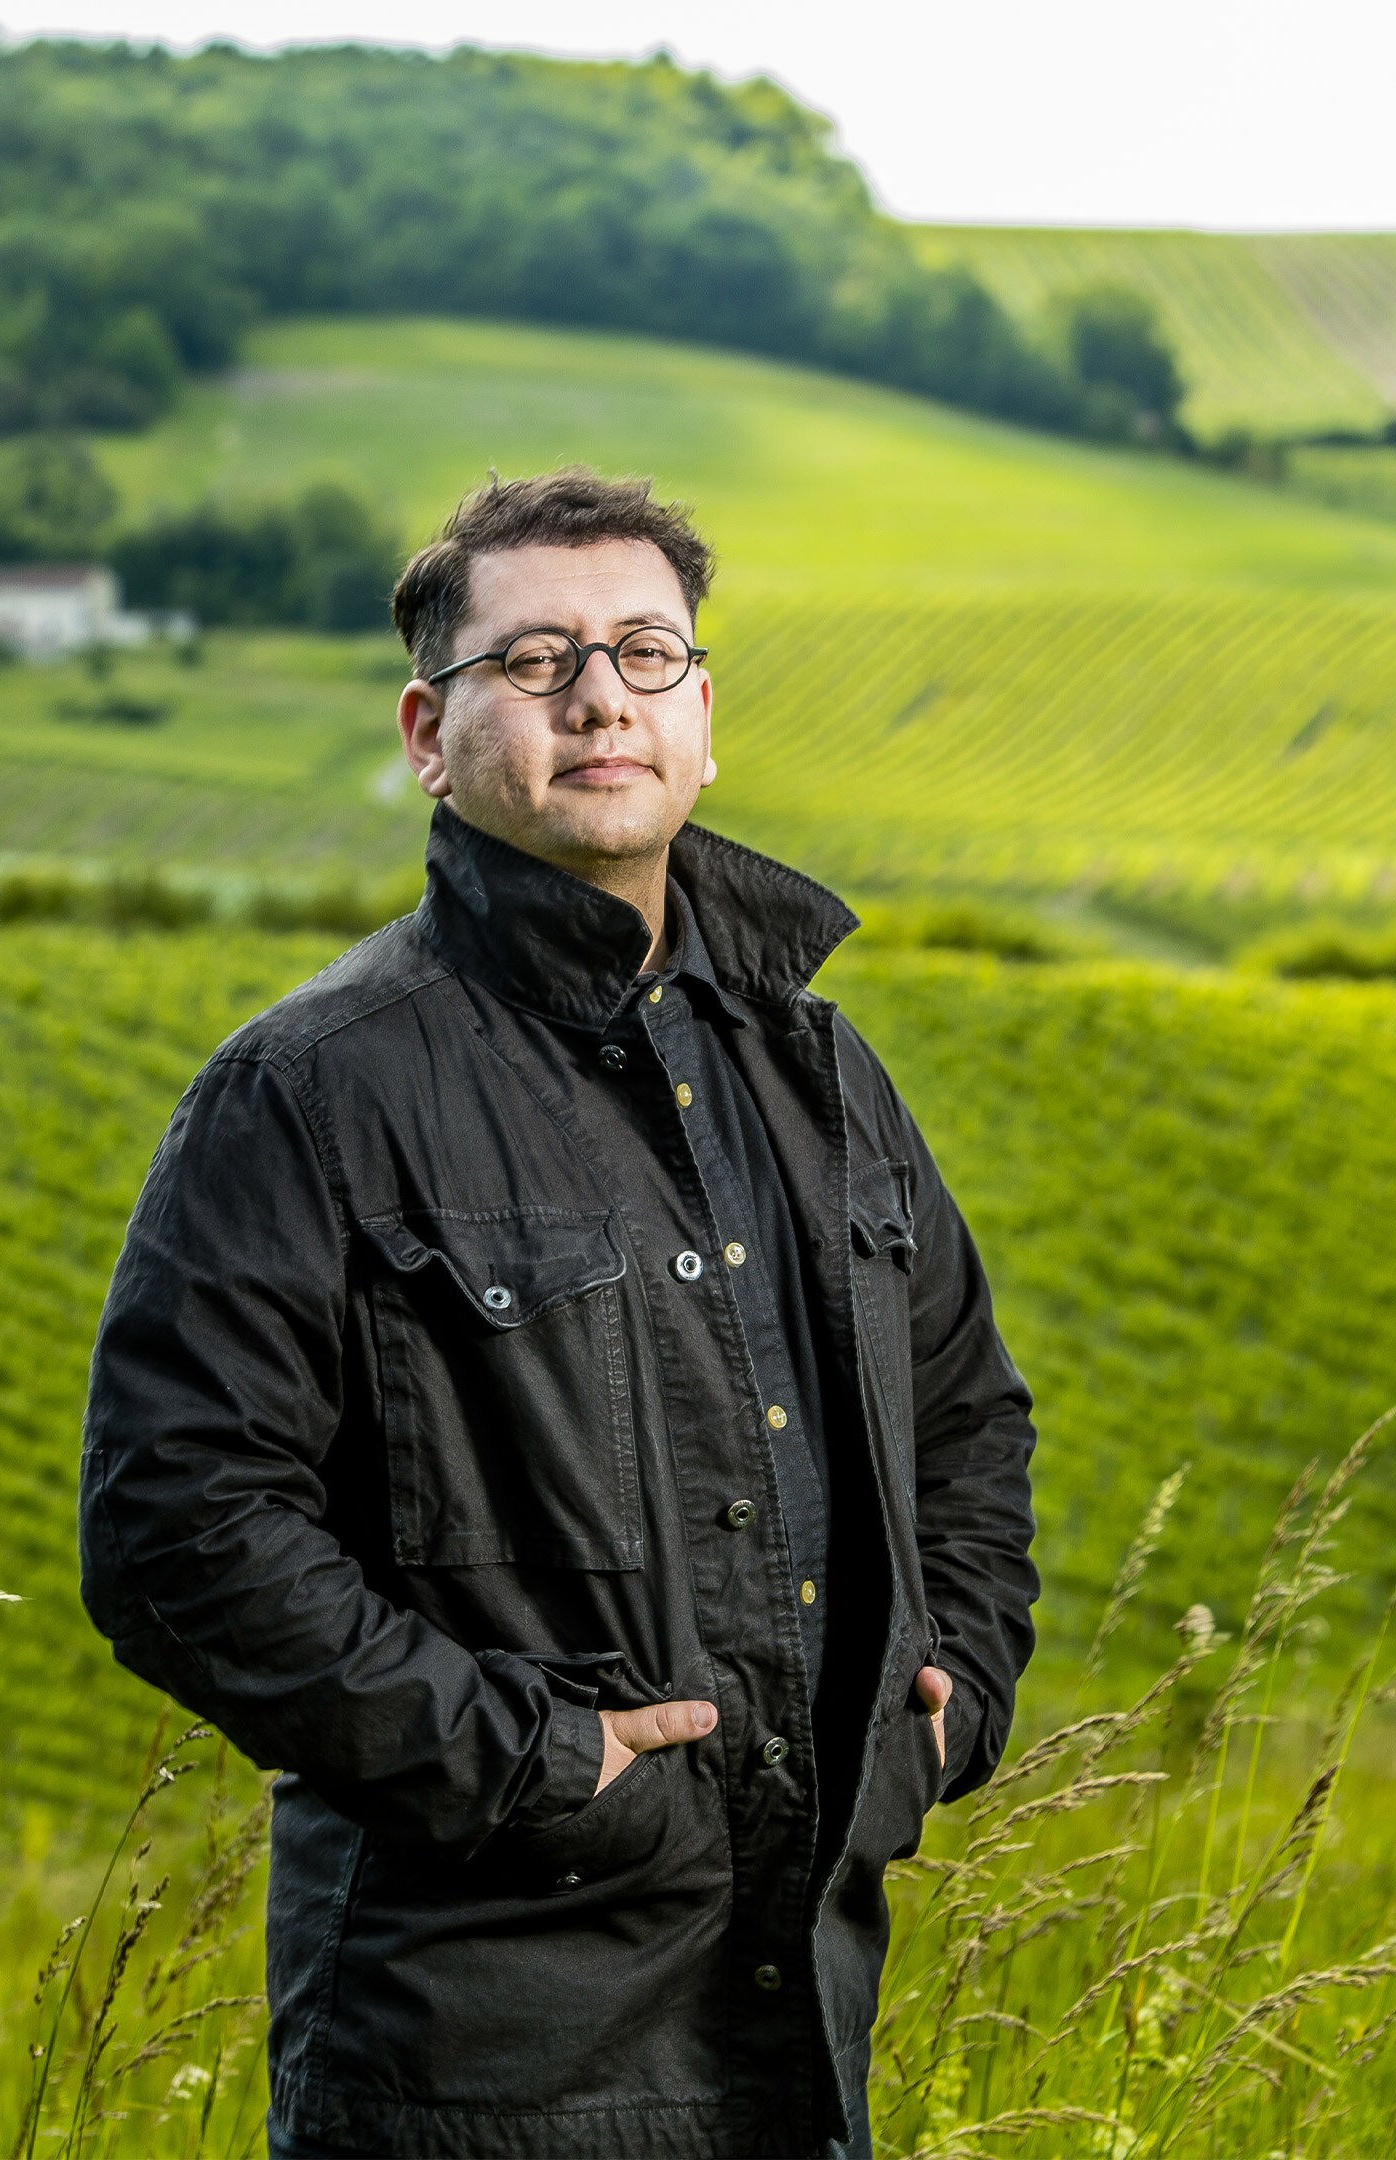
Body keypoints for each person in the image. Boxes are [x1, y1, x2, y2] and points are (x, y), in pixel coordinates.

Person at [79, 468, 1038, 2160]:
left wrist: (948, 1692)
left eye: (647, 653)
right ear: (427, 734)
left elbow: (965, 1419)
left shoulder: (822, 1077)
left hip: (802, 2030)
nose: (601, 698)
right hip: (476, 2055)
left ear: (702, 718)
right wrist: (528, 1761)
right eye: (535, 662)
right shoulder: (311, 1091)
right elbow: (179, 1527)